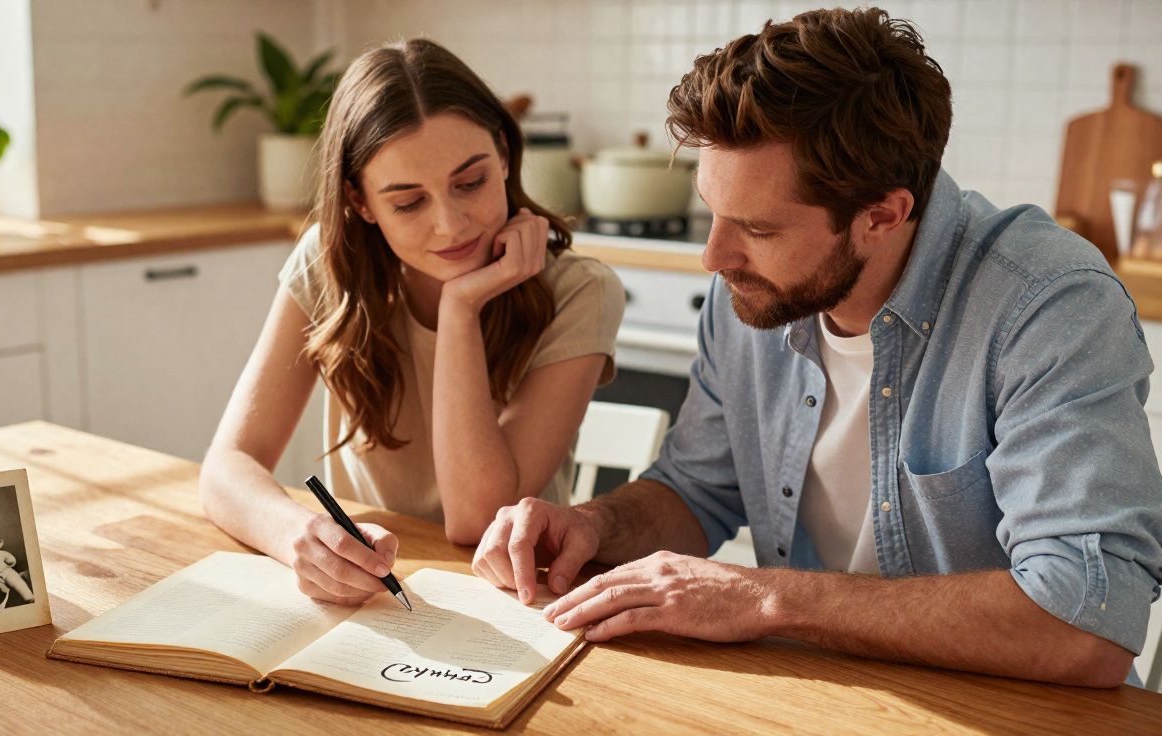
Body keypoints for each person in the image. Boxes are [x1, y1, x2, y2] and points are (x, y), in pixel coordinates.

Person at [472, 7, 1162, 689]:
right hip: (822, 694)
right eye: (711, 211)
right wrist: (594, 524)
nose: (714, 256)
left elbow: (1086, 623)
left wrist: (763, 598)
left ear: (882, 216)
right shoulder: (751, 295)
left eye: (756, 229)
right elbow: (697, 491)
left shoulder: (1046, 304)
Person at [200, 39, 624, 606]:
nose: (450, 226)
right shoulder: (328, 265)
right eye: (408, 202)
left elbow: (476, 520)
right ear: (360, 201)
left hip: (512, 598)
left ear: (503, 152)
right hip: (371, 595)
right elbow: (227, 467)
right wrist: (298, 536)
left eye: (470, 182)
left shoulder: (579, 290)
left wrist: (461, 308)